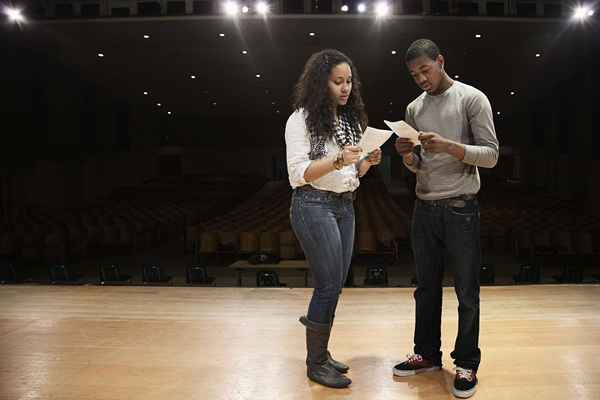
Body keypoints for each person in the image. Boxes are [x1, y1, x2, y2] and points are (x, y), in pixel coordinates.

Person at [393, 39, 499, 399]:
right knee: (425, 289)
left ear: (441, 61)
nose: (420, 78)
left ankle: (466, 362)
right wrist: (408, 156)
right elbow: (419, 164)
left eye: (425, 69)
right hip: (424, 208)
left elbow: (491, 156)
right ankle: (427, 354)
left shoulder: (472, 98)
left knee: (467, 291)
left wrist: (450, 146)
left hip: (461, 207)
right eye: (413, 74)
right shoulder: (413, 107)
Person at [285, 49, 381, 389]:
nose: (345, 88)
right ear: (319, 82)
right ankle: (315, 363)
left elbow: (350, 173)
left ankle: (322, 353)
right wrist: (339, 160)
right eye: (337, 81)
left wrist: (367, 161)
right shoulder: (300, 119)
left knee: (336, 284)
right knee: (327, 284)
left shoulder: (349, 121)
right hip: (312, 204)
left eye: (349, 81)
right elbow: (299, 174)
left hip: (344, 204)